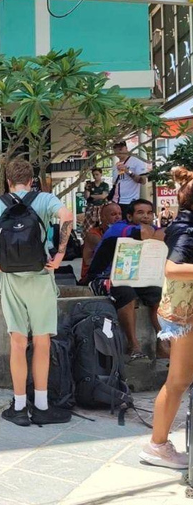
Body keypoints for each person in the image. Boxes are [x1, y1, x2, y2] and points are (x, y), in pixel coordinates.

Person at [0, 157, 74, 426]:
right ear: (31, 181)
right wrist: (60, 253)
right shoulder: (44, 199)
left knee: (17, 342)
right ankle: (41, 406)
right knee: (41, 341)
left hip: (12, 279)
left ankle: (18, 407)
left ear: (7, 181)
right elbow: (67, 216)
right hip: (40, 277)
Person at [140, 166, 193, 469]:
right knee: (178, 381)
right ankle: (157, 445)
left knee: (179, 380)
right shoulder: (187, 229)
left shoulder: (184, 221)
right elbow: (172, 268)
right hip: (183, 314)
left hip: (182, 310)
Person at [86, 199, 165, 360]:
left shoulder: (150, 228)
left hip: (135, 277)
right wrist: (154, 232)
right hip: (102, 277)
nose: (146, 216)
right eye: (140, 213)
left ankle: (163, 341)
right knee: (126, 293)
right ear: (129, 217)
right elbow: (147, 233)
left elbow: (162, 233)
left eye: (149, 213)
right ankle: (133, 346)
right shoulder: (118, 228)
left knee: (158, 292)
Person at [80, 202, 122, 283]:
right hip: (93, 276)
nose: (118, 217)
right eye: (113, 214)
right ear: (103, 217)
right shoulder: (93, 235)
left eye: (120, 214)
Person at [112, 141, 148, 219]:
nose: (119, 152)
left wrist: (128, 171)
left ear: (126, 148)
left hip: (130, 201)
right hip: (116, 202)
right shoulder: (116, 166)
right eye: (116, 150)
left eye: (121, 149)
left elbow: (143, 181)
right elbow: (115, 184)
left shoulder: (136, 161)